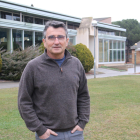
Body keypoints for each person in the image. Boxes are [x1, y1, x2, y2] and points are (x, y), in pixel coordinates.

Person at [18, 20, 90, 140]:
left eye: (60, 37)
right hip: (47, 135)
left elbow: (83, 96)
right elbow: (24, 102)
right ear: (44, 42)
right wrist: (40, 129)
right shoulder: (33, 67)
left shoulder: (76, 64)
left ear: (67, 41)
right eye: (51, 37)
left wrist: (82, 123)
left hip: (75, 133)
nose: (56, 42)